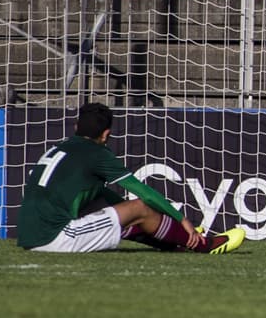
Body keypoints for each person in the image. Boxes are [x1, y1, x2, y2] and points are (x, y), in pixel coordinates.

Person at [17, 101, 245, 254]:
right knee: (139, 208)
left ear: (76, 127)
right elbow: (142, 192)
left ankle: (175, 242)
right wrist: (181, 219)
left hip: (28, 236)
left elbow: (101, 195)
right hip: (54, 238)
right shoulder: (97, 153)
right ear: (106, 134)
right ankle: (202, 245)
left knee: (112, 208)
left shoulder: (60, 148)